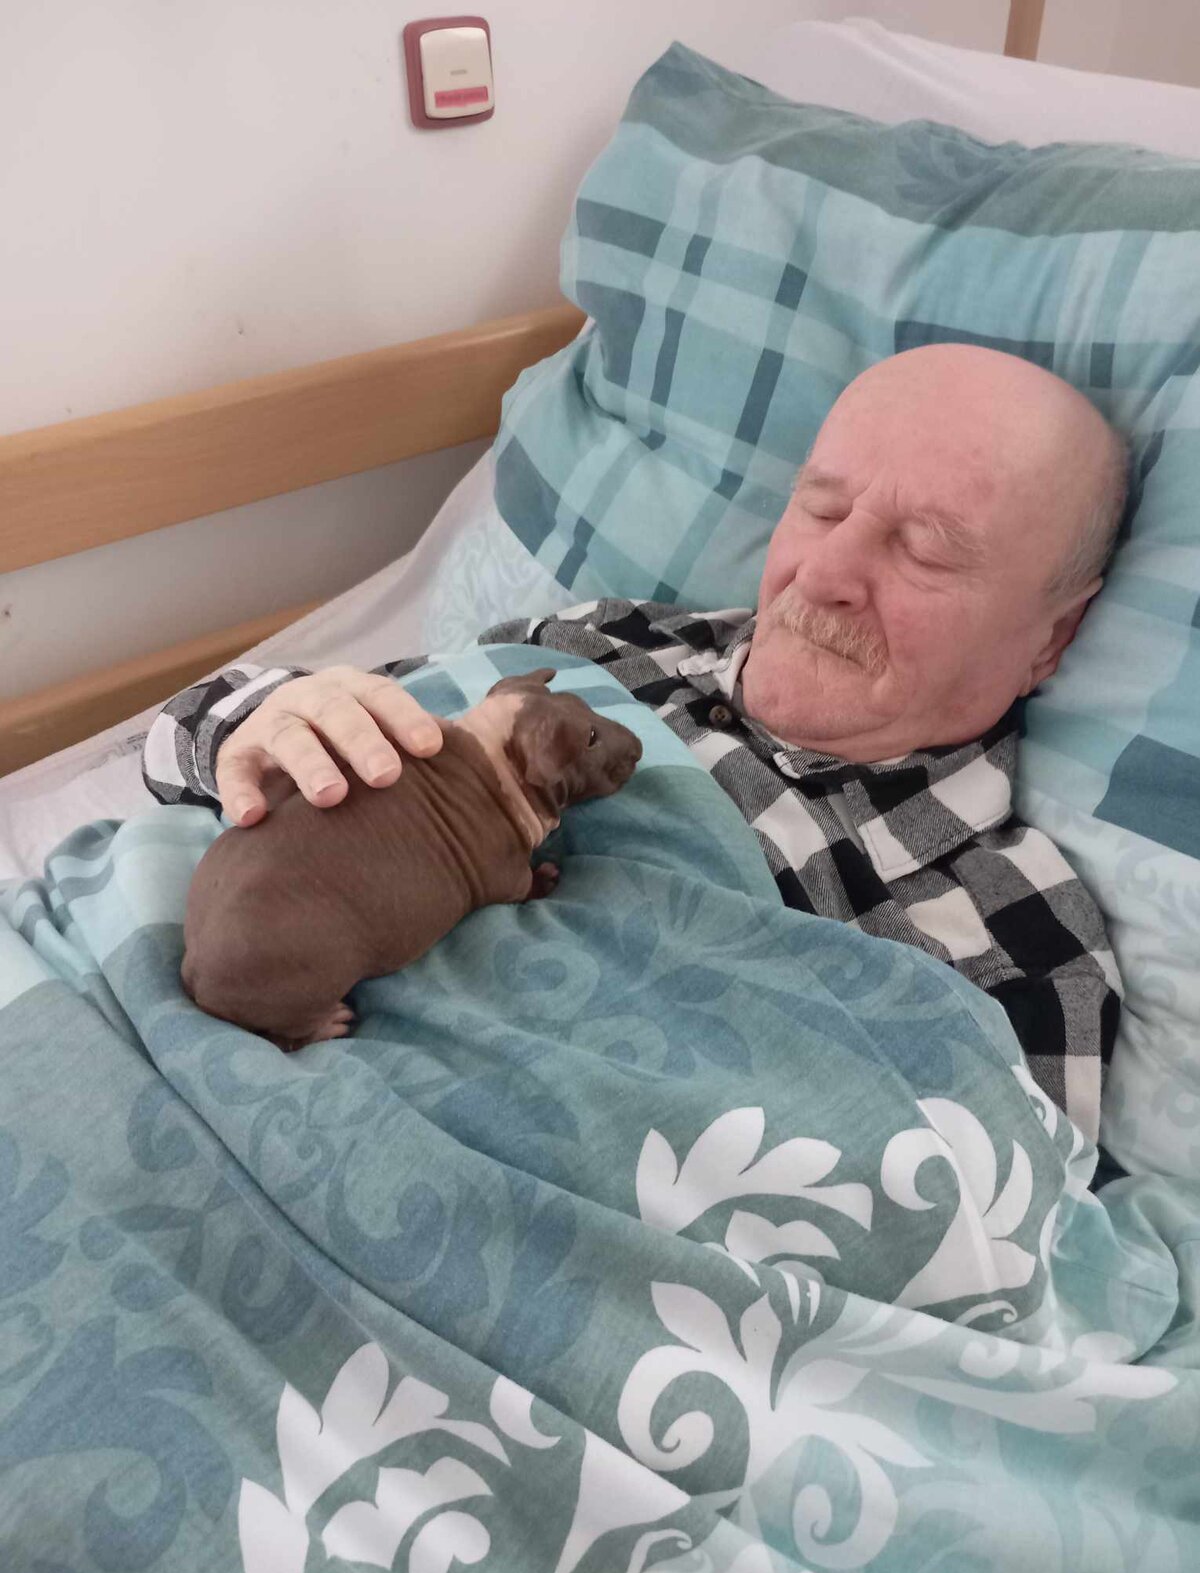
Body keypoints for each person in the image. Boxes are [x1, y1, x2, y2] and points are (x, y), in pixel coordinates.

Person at [143, 343, 1129, 1136]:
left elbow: (991, 1248)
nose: (823, 573)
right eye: (821, 505)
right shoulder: (597, 639)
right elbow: (179, 742)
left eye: (925, 551)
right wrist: (258, 729)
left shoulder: (1021, 940)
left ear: (1052, 638)